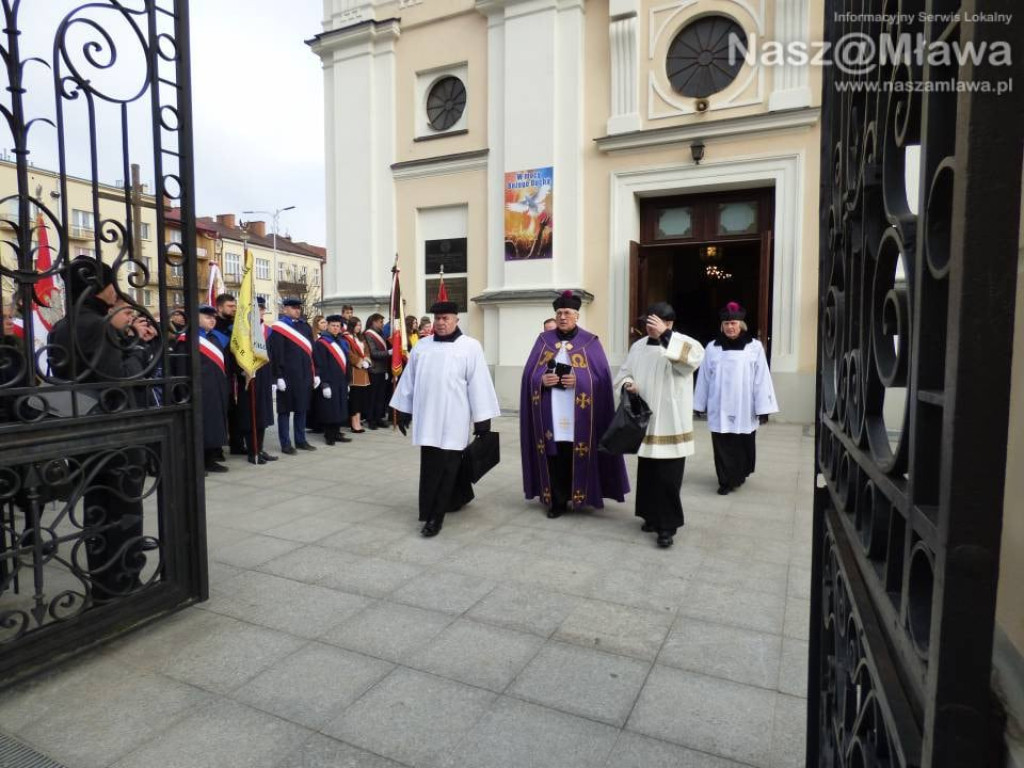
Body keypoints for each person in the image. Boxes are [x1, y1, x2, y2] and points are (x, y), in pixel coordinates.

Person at [48, 256, 148, 601]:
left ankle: (103, 582)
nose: (114, 291)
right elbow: (116, 382)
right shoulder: (98, 324)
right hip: (115, 436)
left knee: (96, 510)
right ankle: (123, 585)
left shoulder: (62, 324)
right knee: (123, 511)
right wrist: (135, 350)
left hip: (82, 431)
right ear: (98, 287)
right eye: (110, 284)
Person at [391, 300, 500, 537]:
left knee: (449, 466)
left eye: (446, 318)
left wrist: (483, 421)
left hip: (455, 418)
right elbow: (409, 380)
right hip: (428, 418)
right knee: (431, 467)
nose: (441, 323)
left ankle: (434, 517)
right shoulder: (422, 347)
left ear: (456, 320)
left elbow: (479, 383)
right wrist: (404, 411)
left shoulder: (470, 346)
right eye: (437, 319)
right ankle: (457, 497)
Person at [520, 291, 629, 518]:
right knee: (556, 455)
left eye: (567, 313)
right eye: (559, 313)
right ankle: (558, 501)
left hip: (579, 413)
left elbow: (601, 379)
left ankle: (583, 495)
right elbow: (530, 375)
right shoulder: (543, 341)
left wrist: (579, 380)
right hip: (551, 410)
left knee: (575, 452)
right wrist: (541, 379)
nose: (562, 317)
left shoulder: (590, 342)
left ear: (577, 316)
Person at [614, 302, 704, 548]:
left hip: (670, 421)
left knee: (668, 477)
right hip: (645, 419)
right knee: (648, 473)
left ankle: (668, 526)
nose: (649, 327)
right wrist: (628, 384)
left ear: (670, 323)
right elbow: (624, 373)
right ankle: (650, 516)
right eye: (646, 323)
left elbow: (690, 362)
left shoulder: (686, 343)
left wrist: (666, 336)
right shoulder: (638, 346)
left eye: (654, 323)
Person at [693, 301, 779, 495]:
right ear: (721, 326)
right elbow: (704, 377)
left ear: (741, 325)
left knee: (742, 442)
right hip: (719, 403)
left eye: (734, 324)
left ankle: (739, 473)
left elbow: (761, 378)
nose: (730, 327)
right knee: (722, 442)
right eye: (726, 324)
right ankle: (725, 480)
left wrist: (763, 408)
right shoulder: (712, 348)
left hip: (744, 405)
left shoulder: (754, 347)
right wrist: (699, 403)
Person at [175, 305, 231, 473]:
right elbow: (181, 369)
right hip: (198, 392)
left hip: (216, 390)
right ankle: (196, 464)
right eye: (207, 317)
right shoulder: (186, 340)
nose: (212, 319)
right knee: (199, 428)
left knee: (214, 427)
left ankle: (210, 460)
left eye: (213, 317)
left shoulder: (215, 338)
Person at [268, 297, 320, 454]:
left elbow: (312, 351)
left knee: (301, 408)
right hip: (287, 376)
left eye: (299, 308)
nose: (297, 310)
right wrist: (278, 376)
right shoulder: (279, 328)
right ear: (285, 309)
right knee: (284, 411)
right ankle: (285, 443)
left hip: (304, 375)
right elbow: (276, 353)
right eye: (293, 307)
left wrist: (315, 373)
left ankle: (301, 440)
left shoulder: (305, 327)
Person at [237, 297, 278, 464]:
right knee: (251, 416)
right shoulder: (243, 331)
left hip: (265, 377)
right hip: (249, 377)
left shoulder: (268, 331)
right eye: (256, 309)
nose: (259, 312)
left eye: (261, 309)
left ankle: (260, 448)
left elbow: (274, 356)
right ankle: (252, 451)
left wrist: (274, 379)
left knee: (263, 416)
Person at [312, 314, 352, 446]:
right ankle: (329, 435)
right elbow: (319, 364)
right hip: (329, 381)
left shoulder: (342, 342)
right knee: (330, 409)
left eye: (338, 326)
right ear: (328, 326)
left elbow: (346, 362)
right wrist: (324, 384)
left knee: (340, 407)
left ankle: (337, 433)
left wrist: (347, 381)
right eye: (333, 326)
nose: (335, 328)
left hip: (340, 380)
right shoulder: (322, 343)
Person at [215, 292, 245, 458]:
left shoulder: (235, 324)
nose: (234, 309)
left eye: (235, 306)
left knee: (236, 412)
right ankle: (217, 449)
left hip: (236, 374)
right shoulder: (215, 326)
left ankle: (237, 444)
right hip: (222, 374)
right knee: (221, 413)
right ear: (220, 307)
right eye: (230, 306)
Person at [343, 317, 371, 433]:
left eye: (360, 325)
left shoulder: (361, 338)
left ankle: (358, 421)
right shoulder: (346, 338)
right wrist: (359, 361)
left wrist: (367, 360)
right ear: (352, 326)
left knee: (361, 399)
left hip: (363, 372)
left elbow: (367, 351)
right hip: (354, 371)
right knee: (355, 399)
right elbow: (348, 353)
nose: (359, 327)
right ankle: (354, 423)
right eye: (357, 325)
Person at [363, 313, 391, 428]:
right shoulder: (368, 334)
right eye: (380, 322)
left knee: (381, 396)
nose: (382, 324)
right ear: (373, 322)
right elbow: (373, 353)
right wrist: (388, 353)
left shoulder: (381, 333)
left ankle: (378, 417)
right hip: (374, 369)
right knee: (372, 396)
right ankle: (371, 419)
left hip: (382, 369)